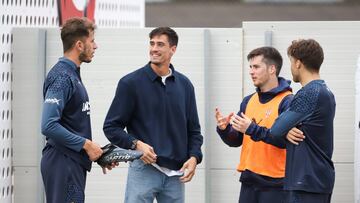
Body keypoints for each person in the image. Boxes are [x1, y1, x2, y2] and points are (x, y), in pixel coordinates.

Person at [103, 27, 203, 203]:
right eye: (152, 43)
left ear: (173, 49)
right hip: (144, 169)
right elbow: (111, 127)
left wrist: (194, 157)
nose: (154, 48)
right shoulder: (130, 83)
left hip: (175, 175)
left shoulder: (185, 85)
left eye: (160, 44)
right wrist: (136, 145)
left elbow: (193, 130)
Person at [215, 46, 293, 203]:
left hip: (276, 184)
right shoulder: (248, 101)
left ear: (272, 69)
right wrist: (224, 129)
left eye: (256, 67)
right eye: (250, 67)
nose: (251, 71)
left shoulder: (288, 101)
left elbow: (285, 141)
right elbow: (236, 140)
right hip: (249, 181)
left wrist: (251, 128)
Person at [40, 17, 103, 203]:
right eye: (92, 41)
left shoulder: (72, 74)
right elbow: (48, 125)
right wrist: (87, 145)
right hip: (62, 162)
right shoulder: (62, 77)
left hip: (71, 162)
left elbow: (73, 123)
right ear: (79, 45)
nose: (96, 46)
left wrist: (99, 153)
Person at [269, 39, 335, 203]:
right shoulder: (326, 91)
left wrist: (285, 129)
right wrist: (288, 130)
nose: (291, 67)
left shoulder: (309, 93)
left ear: (298, 63)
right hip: (316, 180)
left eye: (291, 62)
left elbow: (276, 129)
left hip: (306, 182)